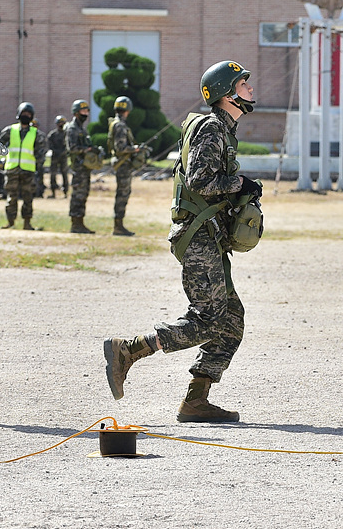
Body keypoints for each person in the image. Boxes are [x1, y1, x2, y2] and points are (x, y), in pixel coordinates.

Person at [103, 60, 260, 423]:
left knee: (231, 320)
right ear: (226, 93)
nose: (250, 89)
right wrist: (242, 184)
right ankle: (129, 350)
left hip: (210, 237)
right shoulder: (212, 128)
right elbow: (199, 181)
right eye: (243, 84)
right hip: (198, 236)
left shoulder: (223, 128)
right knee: (207, 320)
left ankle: (196, 399)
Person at [0, 102, 47, 231]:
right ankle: (10, 222)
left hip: (28, 170)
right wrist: (0, 159)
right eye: (24, 113)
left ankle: (27, 223)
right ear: (19, 114)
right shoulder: (9, 130)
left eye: (29, 114)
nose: (26, 116)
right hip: (12, 169)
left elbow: (41, 152)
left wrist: (39, 165)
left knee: (28, 197)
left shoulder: (37, 134)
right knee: (11, 197)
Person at [108, 96, 144, 236]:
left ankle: (119, 225)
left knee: (122, 194)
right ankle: (118, 226)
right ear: (127, 110)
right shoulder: (120, 125)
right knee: (122, 195)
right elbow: (120, 148)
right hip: (123, 165)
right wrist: (135, 149)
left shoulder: (115, 123)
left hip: (122, 165)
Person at [66, 99, 99, 234]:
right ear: (76, 113)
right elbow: (72, 148)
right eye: (82, 111)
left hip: (85, 167)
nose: (85, 114)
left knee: (83, 194)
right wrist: (88, 150)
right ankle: (75, 224)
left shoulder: (82, 129)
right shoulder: (72, 128)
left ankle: (80, 222)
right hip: (78, 168)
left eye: (86, 111)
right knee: (77, 195)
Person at [47, 115, 69, 198]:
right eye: (59, 123)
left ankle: (65, 192)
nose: (61, 124)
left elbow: (68, 145)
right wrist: (56, 151)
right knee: (53, 174)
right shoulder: (52, 135)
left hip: (63, 157)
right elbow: (49, 145)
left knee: (64, 174)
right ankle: (53, 192)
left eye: (62, 123)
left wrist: (63, 152)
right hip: (55, 157)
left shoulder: (67, 134)